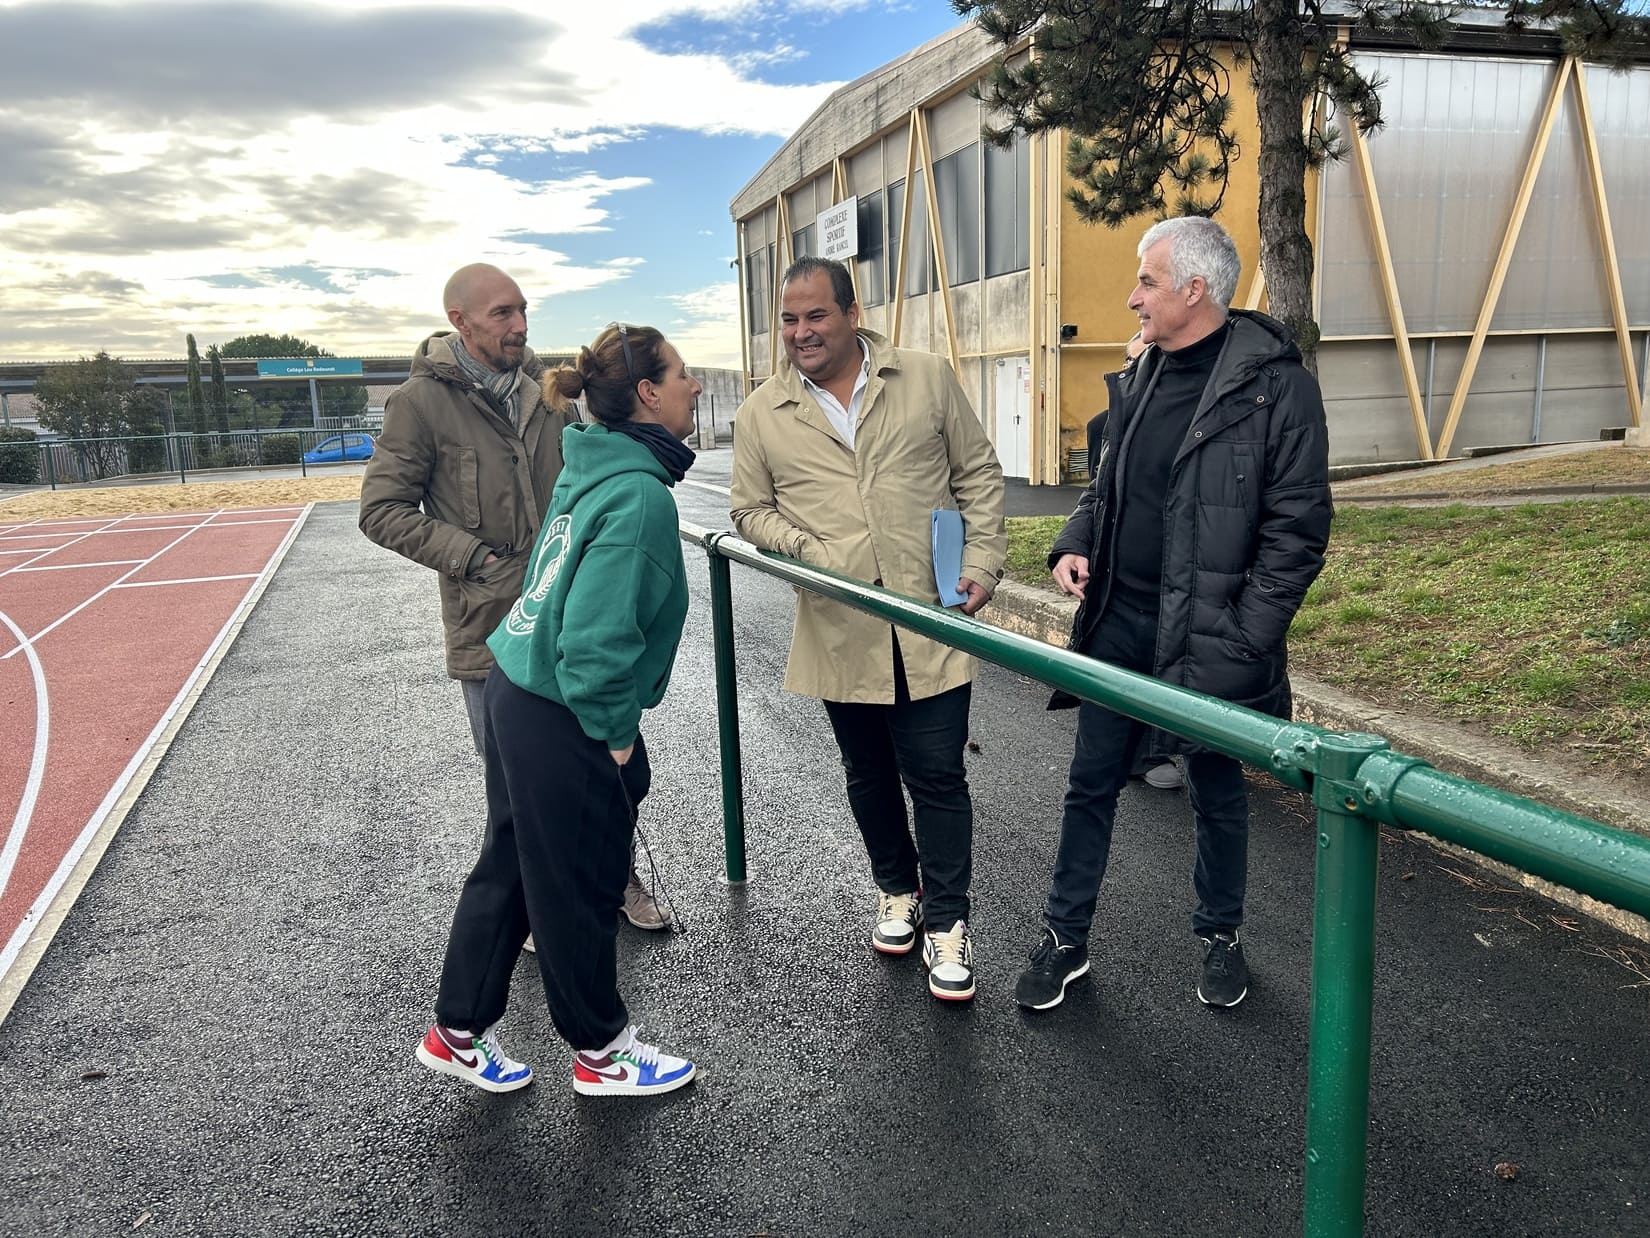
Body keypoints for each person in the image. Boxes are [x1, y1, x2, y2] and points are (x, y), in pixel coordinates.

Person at [1016, 217, 1331, 1013]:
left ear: (1196, 289)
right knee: (1091, 781)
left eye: (1147, 282)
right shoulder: (1142, 373)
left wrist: (1245, 639)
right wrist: (1073, 542)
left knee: (1216, 789)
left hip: (1212, 635)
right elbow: (1107, 487)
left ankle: (1220, 938)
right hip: (1120, 621)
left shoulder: (1277, 387)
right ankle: (1064, 936)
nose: (1132, 298)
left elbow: (1298, 532)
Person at [415, 323, 702, 1097]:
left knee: (510, 864)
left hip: (518, 681)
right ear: (648, 393)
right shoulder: (639, 495)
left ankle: (458, 1029)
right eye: (684, 375)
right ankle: (603, 1052)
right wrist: (613, 736)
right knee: (576, 880)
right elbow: (598, 640)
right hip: (559, 704)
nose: (696, 386)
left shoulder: (595, 463)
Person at [360, 264, 672, 932]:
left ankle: (617, 877)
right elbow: (381, 510)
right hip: (490, 626)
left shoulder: (548, 393)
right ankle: (530, 907)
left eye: (523, 310)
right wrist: (471, 558)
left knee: (608, 761)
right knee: (515, 788)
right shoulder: (418, 404)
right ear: (459, 320)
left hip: (574, 614)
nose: (520, 326)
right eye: (502, 313)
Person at [731, 256, 1006, 1003]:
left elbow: (978, 473)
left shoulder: (922, 376)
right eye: (788, 319)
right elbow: (748, 510)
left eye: (815, 315)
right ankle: (897, 889)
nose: (800, 332)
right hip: (840, 623)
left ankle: (949, 923)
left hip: (932, 615)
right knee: (867, 773)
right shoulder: (763, 411)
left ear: (852, 313)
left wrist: (983, 563)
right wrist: (814, 554)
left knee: (938, 775)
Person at [1081, 332, 1183, 794]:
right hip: (1119, 585)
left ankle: (1156, 749)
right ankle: (1133, 753)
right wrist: (1072, 545)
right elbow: (1098, 495)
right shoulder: (1104, 424)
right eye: (1134, 360)